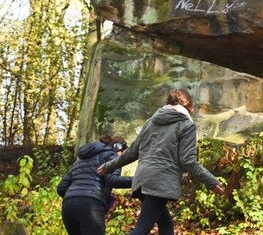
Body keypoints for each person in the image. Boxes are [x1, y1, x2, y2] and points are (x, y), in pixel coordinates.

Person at [98, 88, 226, 235]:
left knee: (166, 226)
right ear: (189, 107)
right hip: (160, 181)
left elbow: (132, 152)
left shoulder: (150, 122)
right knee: (143, 226)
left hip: (142, 180)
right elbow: (188, 160)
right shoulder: (187, 125)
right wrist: (211, 181)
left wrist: (107, 167)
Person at [58, 134, 133, 235]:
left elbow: (61, 187)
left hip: (68, 207)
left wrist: (76, 197)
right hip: (90, 206)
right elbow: (113, 180)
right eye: (122, 153)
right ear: (117, 147)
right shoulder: (112, 155)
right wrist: (139, 179)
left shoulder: (80, 160)